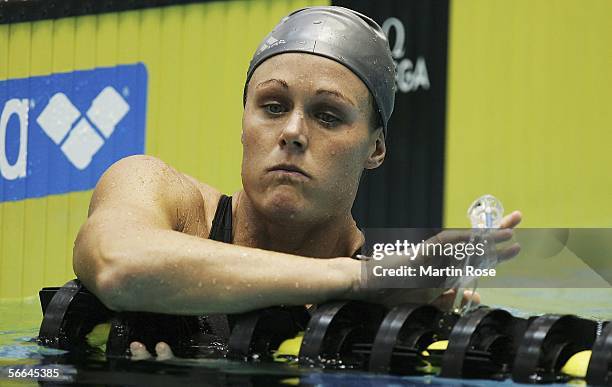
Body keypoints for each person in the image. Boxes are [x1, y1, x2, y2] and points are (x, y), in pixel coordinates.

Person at [73, 6, 521, 360]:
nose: (292, 131)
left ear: (376, 148)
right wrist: (358, 279)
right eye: (272, 105)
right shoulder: (158, 191)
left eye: (328, 115)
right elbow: (118, 264)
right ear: (244, 119)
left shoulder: (394, 303)